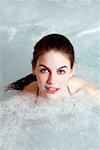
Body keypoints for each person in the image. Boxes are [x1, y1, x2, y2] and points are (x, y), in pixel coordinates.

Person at [6, 33, 100, 99]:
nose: (52, 81)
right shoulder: (24, 96)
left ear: (72, 70)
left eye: (61, 71)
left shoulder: (86, 92)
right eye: (44, 70)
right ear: (33, 68)